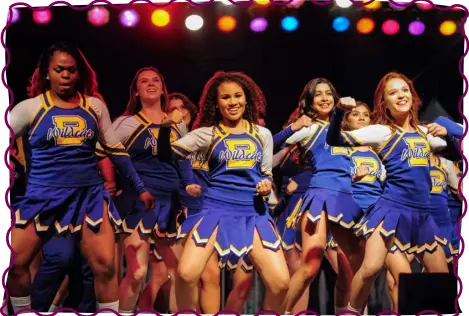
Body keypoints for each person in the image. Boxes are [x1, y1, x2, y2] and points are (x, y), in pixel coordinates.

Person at [7, 42, 154, 313]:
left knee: (105, 267)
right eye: (59, 69)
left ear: (79, 73)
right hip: (42, 195)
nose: (65, 75)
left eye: (71, 70)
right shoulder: (29, 109)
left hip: (89, 195)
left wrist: (140, 188)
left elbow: (116, 150)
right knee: (15, 263)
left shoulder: (94, 107)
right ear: (46, 73)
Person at [325, 71, 459, 312]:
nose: (401, 96)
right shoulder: (381, 132)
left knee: (440, 279)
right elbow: (335, 140)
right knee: (370, 269)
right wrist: (338, 113)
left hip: (422, 217)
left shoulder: (425, 134)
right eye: (393, 93)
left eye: (405, 90)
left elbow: (458, 151)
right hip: (391, 211)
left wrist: (448, 133)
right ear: (384, 103)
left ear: (413, 96)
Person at [158, 71, 290, 313]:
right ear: (216, 104)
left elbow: (266, 174)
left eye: (238, 96)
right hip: (214, 210)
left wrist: (265, 184)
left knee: (281, 284)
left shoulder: (262, 135)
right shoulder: (206, 134)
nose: (233, 102)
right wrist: (165, 129)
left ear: (246, 99)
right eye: (226, 97)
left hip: (253, 214)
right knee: (186, 275)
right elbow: (167, 155)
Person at [106, 67, 189, 313]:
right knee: (138, 272)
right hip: (139, 203)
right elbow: (106, 154)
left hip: (170, 204)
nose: (150, 84)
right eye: (144, 81)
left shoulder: (178, 125)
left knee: (180, 273)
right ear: (136, 91)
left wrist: (187, 193)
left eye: (156, 81)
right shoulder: (124, 123)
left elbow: (182, 163)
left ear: (163, 89)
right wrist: (110, 183)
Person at [282, 78, 364, 313]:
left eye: (329, 93)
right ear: (309, 101)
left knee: (353, 265)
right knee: (310, 266)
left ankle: (342, 311)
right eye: (318, 94)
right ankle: (284, 311)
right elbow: (272, 143)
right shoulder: (308, 128)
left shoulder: (346, 130)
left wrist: (355, 173)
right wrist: (293, 127)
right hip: (320, 198)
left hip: (346, 199)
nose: (325, 98)